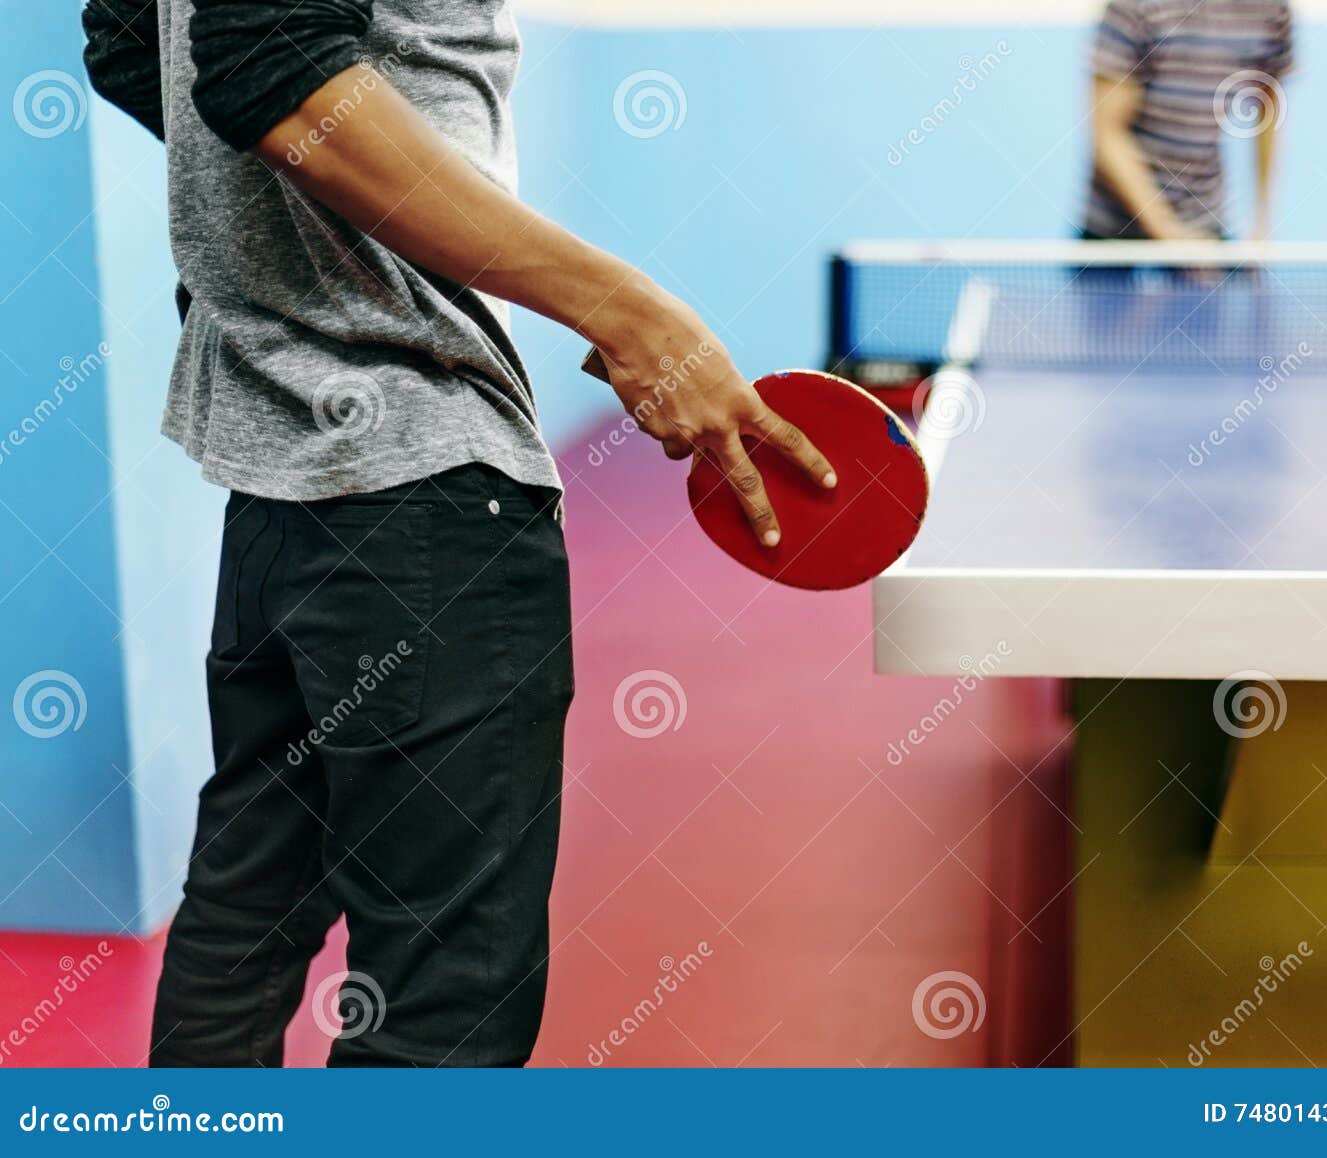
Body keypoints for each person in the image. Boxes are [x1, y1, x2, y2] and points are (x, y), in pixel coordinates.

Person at [81, 0, 834, 1068]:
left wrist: (284, 227)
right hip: (427, 495)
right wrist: (627, 311)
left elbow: (134, 42)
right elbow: (272, 76)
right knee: (443, 1000)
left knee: (244, 925)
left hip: (279, 484)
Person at [1084, 0, 1295, 241]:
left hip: (1205, 224)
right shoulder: (1134, 6)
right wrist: (1168, 232)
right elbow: (1107, 132)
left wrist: (1261, 225)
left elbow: (1267, 107)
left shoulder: (1271, 9)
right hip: (1114, 233)